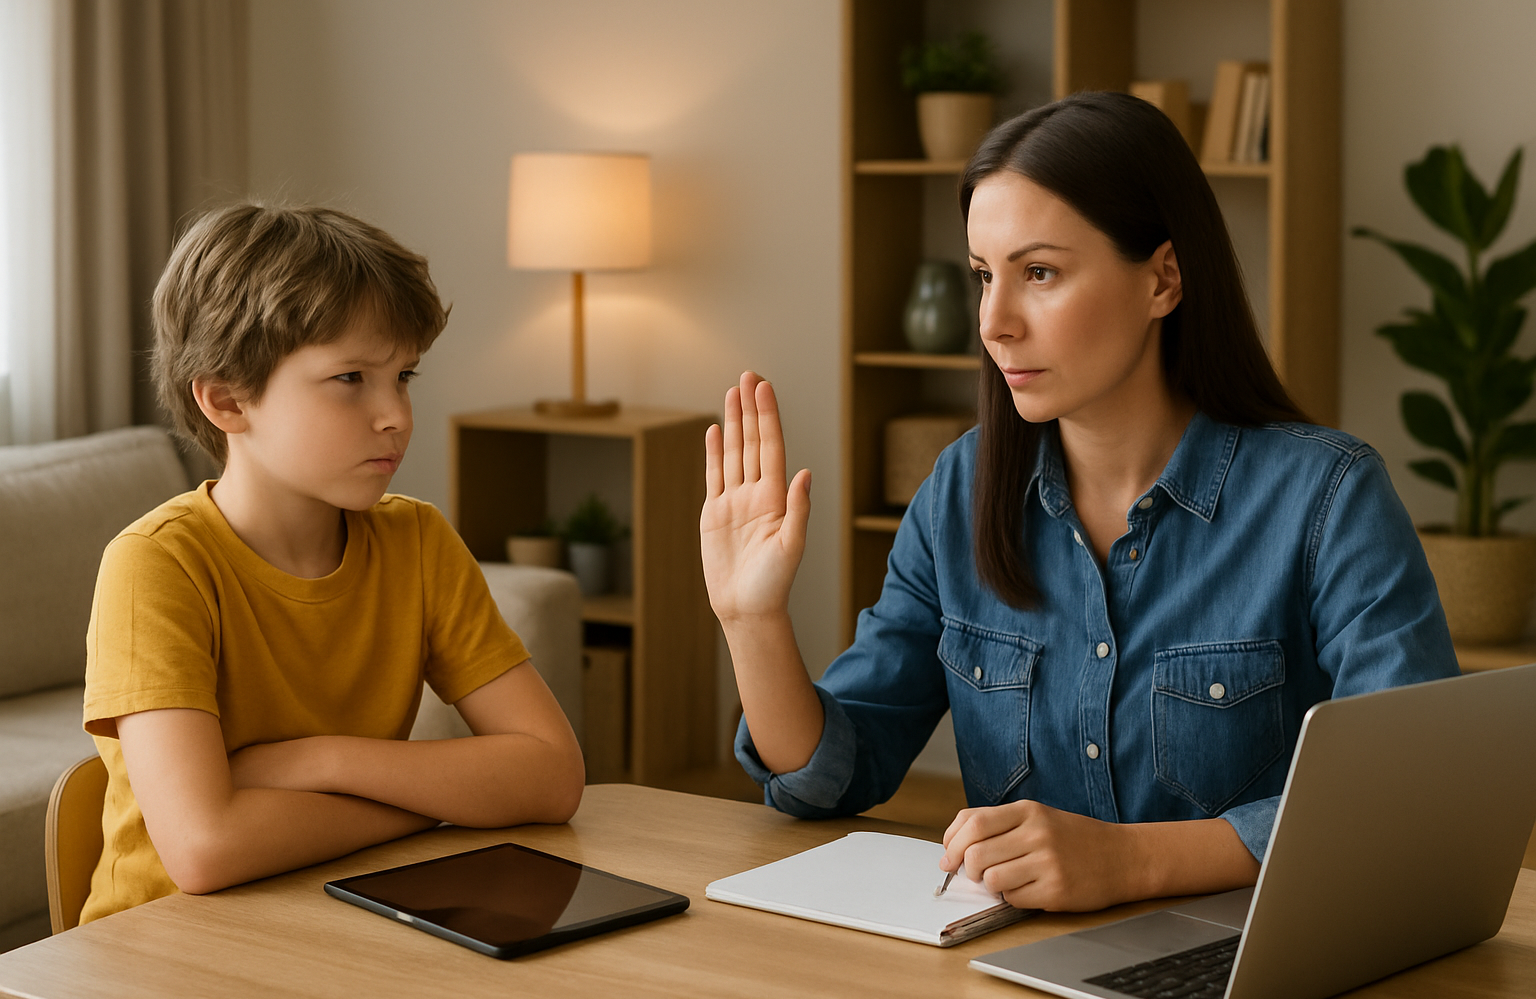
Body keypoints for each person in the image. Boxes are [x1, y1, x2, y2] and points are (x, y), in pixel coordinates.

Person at [700, 92, 1458, 914]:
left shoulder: (1329, 498)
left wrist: (1130, 863)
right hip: (1016, 969)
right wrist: (753, 624)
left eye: (1040, 273)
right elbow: (834, 775)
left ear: (1162, 279)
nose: (994, 322)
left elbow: (1411, 796)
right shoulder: (960, 491)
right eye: (984, 277)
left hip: (1256, 965)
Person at [80, 203, 585, 923]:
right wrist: (434, 808)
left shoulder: (417, 541)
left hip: (334, 920)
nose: (397, 415)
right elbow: (205, 849)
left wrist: (318, 761)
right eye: (351, 378)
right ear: (227, 398)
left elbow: (553, 775)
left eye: (403, 375)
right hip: (161, 954)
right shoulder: (157, 566)